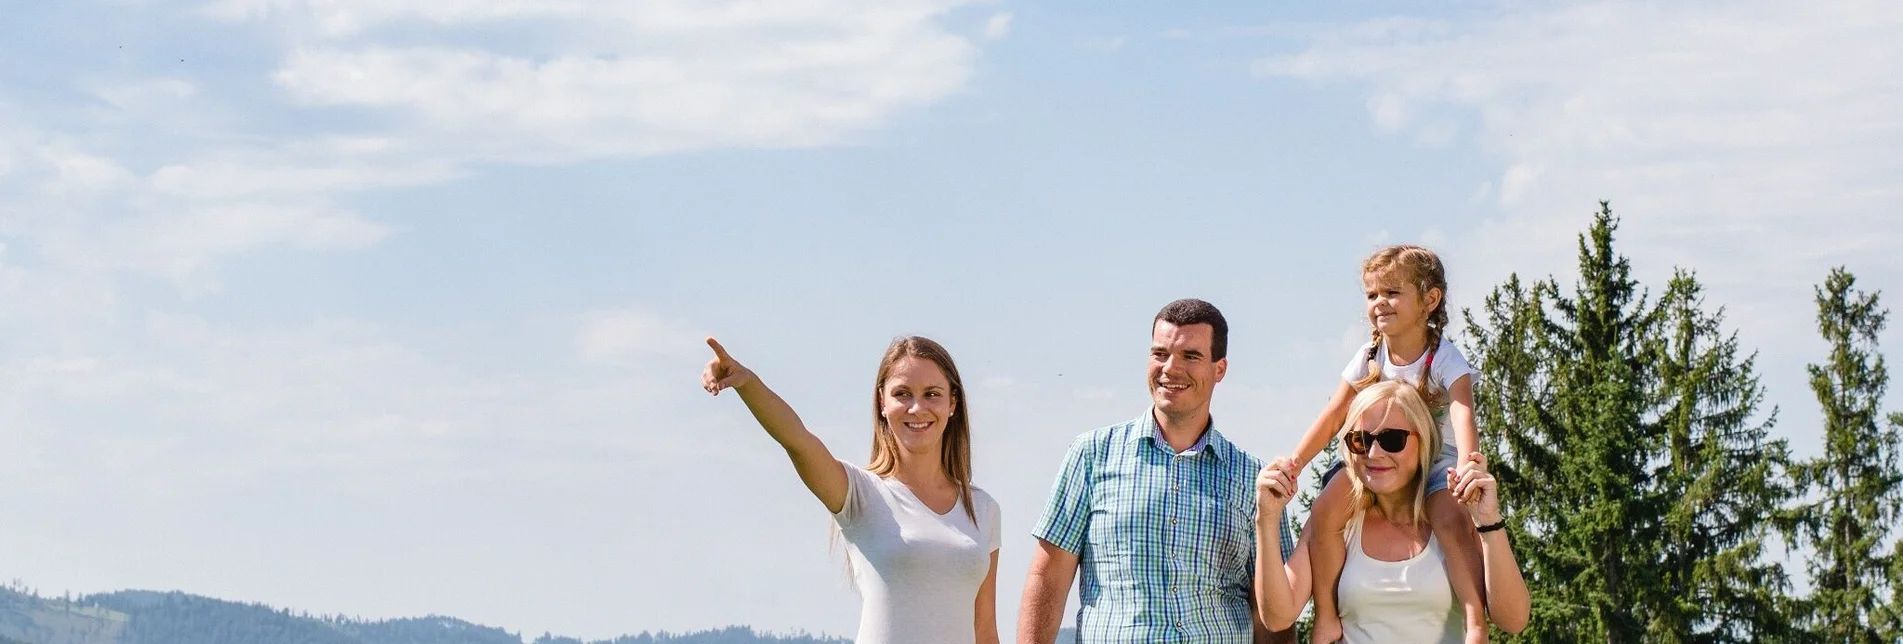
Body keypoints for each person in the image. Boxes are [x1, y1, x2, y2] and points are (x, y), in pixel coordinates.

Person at [1016, 298, 1297, 644]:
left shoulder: (1253, 478)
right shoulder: (1092, 455)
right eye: (1160, 354)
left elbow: (1271, 610)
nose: (1170, 369)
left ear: (1219, 369)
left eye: (1190, 356)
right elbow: (1048, 579)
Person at [701, 336, 1002, 644]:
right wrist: (746, 382)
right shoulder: (860, 493)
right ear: (882, 403)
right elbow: (796, 439)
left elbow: (985, 629)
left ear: (953, 403)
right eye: (902, 394)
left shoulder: (983, 508)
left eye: (931, 394)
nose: (916, 407)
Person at [1284, 245, 1487, 642]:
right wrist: (1297, 461)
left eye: (1392, 293)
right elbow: (1334, 414)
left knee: (1448, 518)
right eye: (1372, 294)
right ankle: (1326, 612)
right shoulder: (1370, 355)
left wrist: (1468, 465)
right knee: (1325, 510)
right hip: (1377, 456)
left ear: (1430, 300)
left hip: (1435, 461)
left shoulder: (1443, 357)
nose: (1379, 303)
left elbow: (1463, 410)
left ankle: (1475, 620)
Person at [1251, 381, 1529, 641]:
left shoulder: (1453, 521)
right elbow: (1277, 617)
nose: (1374, 454)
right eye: (1360, 440)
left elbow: (1514, 620)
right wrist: (1267, 518)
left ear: (1424, 441)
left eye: (1392, 439)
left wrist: (1489, 521)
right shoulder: (1337, 523)